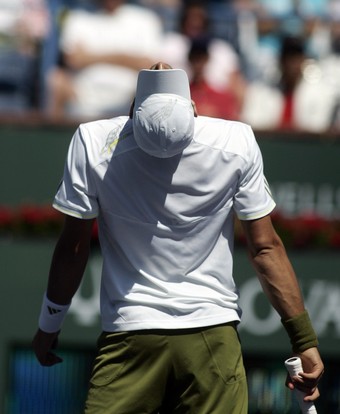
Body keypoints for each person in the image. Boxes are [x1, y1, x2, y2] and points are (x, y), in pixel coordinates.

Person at [32, 62, 324, 413]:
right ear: (195, 110)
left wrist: (49, 324)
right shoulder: (236, 141)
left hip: (129, 337)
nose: (160, 65)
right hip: (212, 338)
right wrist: (304, 340)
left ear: (131, 113)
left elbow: (73, 248)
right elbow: (265, 247)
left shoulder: (93, 142)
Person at [47, 0, 164, 120]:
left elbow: (149, 64)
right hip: (83, 97)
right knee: (57, 80)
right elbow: (73, 59)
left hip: (130, 98)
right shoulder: (77, 18)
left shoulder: (146, 20)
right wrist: (126, 58)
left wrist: (90, 57)